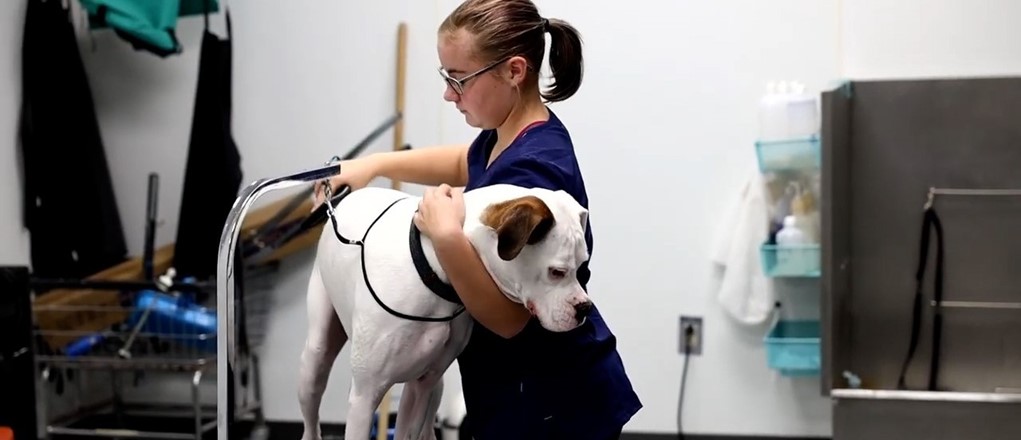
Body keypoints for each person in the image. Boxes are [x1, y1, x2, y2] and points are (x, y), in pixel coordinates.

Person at [312, 0, 642, 438]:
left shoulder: (536, 177)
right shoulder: (512, 133)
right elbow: (464, 161)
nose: (449, 94)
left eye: (458, 79)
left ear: (514, 71)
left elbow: (508, 320)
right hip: (511, 389)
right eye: (445, 78)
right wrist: (374, 165)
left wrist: (446, 235)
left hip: (551, 399)